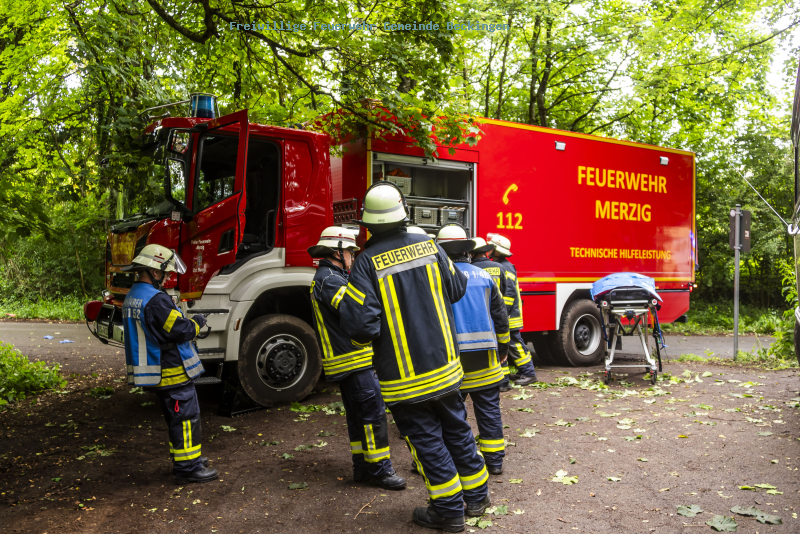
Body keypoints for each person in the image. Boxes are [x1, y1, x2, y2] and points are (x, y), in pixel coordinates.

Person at [339, 182, 490, 532]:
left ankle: (449, 511)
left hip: (404, 378)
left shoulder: (364, 264)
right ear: (403, 214)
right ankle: (477, 497)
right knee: (457, 430)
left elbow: (360, 326)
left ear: (369, 225)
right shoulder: (429, 245)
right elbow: (456, 289)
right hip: (446, 366)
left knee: (427, 441)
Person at [307, 226, 406, 490]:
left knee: (357, 415)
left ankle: (362, 467)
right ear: (337, 252)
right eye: (350, 252)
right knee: (373, 414)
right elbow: (356, 313)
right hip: (353, 359)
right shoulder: (331, 280)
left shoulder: (329, 277)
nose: (352, 257)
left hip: (346, 360)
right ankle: (381, 470)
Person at [121, 244, 218, 484]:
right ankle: (188, 469)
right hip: (171, 371)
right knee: (186, 418)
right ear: (155, 272)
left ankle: (185, 459)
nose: (166, 279)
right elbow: (180, 330)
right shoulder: (156, 300)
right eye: (165, 273)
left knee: (176, 419)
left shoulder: (134, 295)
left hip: (155, 371)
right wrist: (197, 322)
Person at [437, 226, 510, 476]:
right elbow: (500, 318)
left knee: (453, 416)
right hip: (487, 359)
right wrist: (504, 348)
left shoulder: (438, 279)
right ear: (468, 251)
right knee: (489, 410)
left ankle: (457, 460)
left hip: (453, 360)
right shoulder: (485, 277)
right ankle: (495, 461)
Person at [488, 235, 538, 389]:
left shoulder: (505, 267)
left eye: (491, 247)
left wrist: (502, 315)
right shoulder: (501, 265)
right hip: (508, 315)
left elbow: (508, 296)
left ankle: (529, 373)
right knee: (509, 344)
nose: (489, 250)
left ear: (497, 250)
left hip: (509, 316)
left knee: (514, 344)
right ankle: (512, 375)